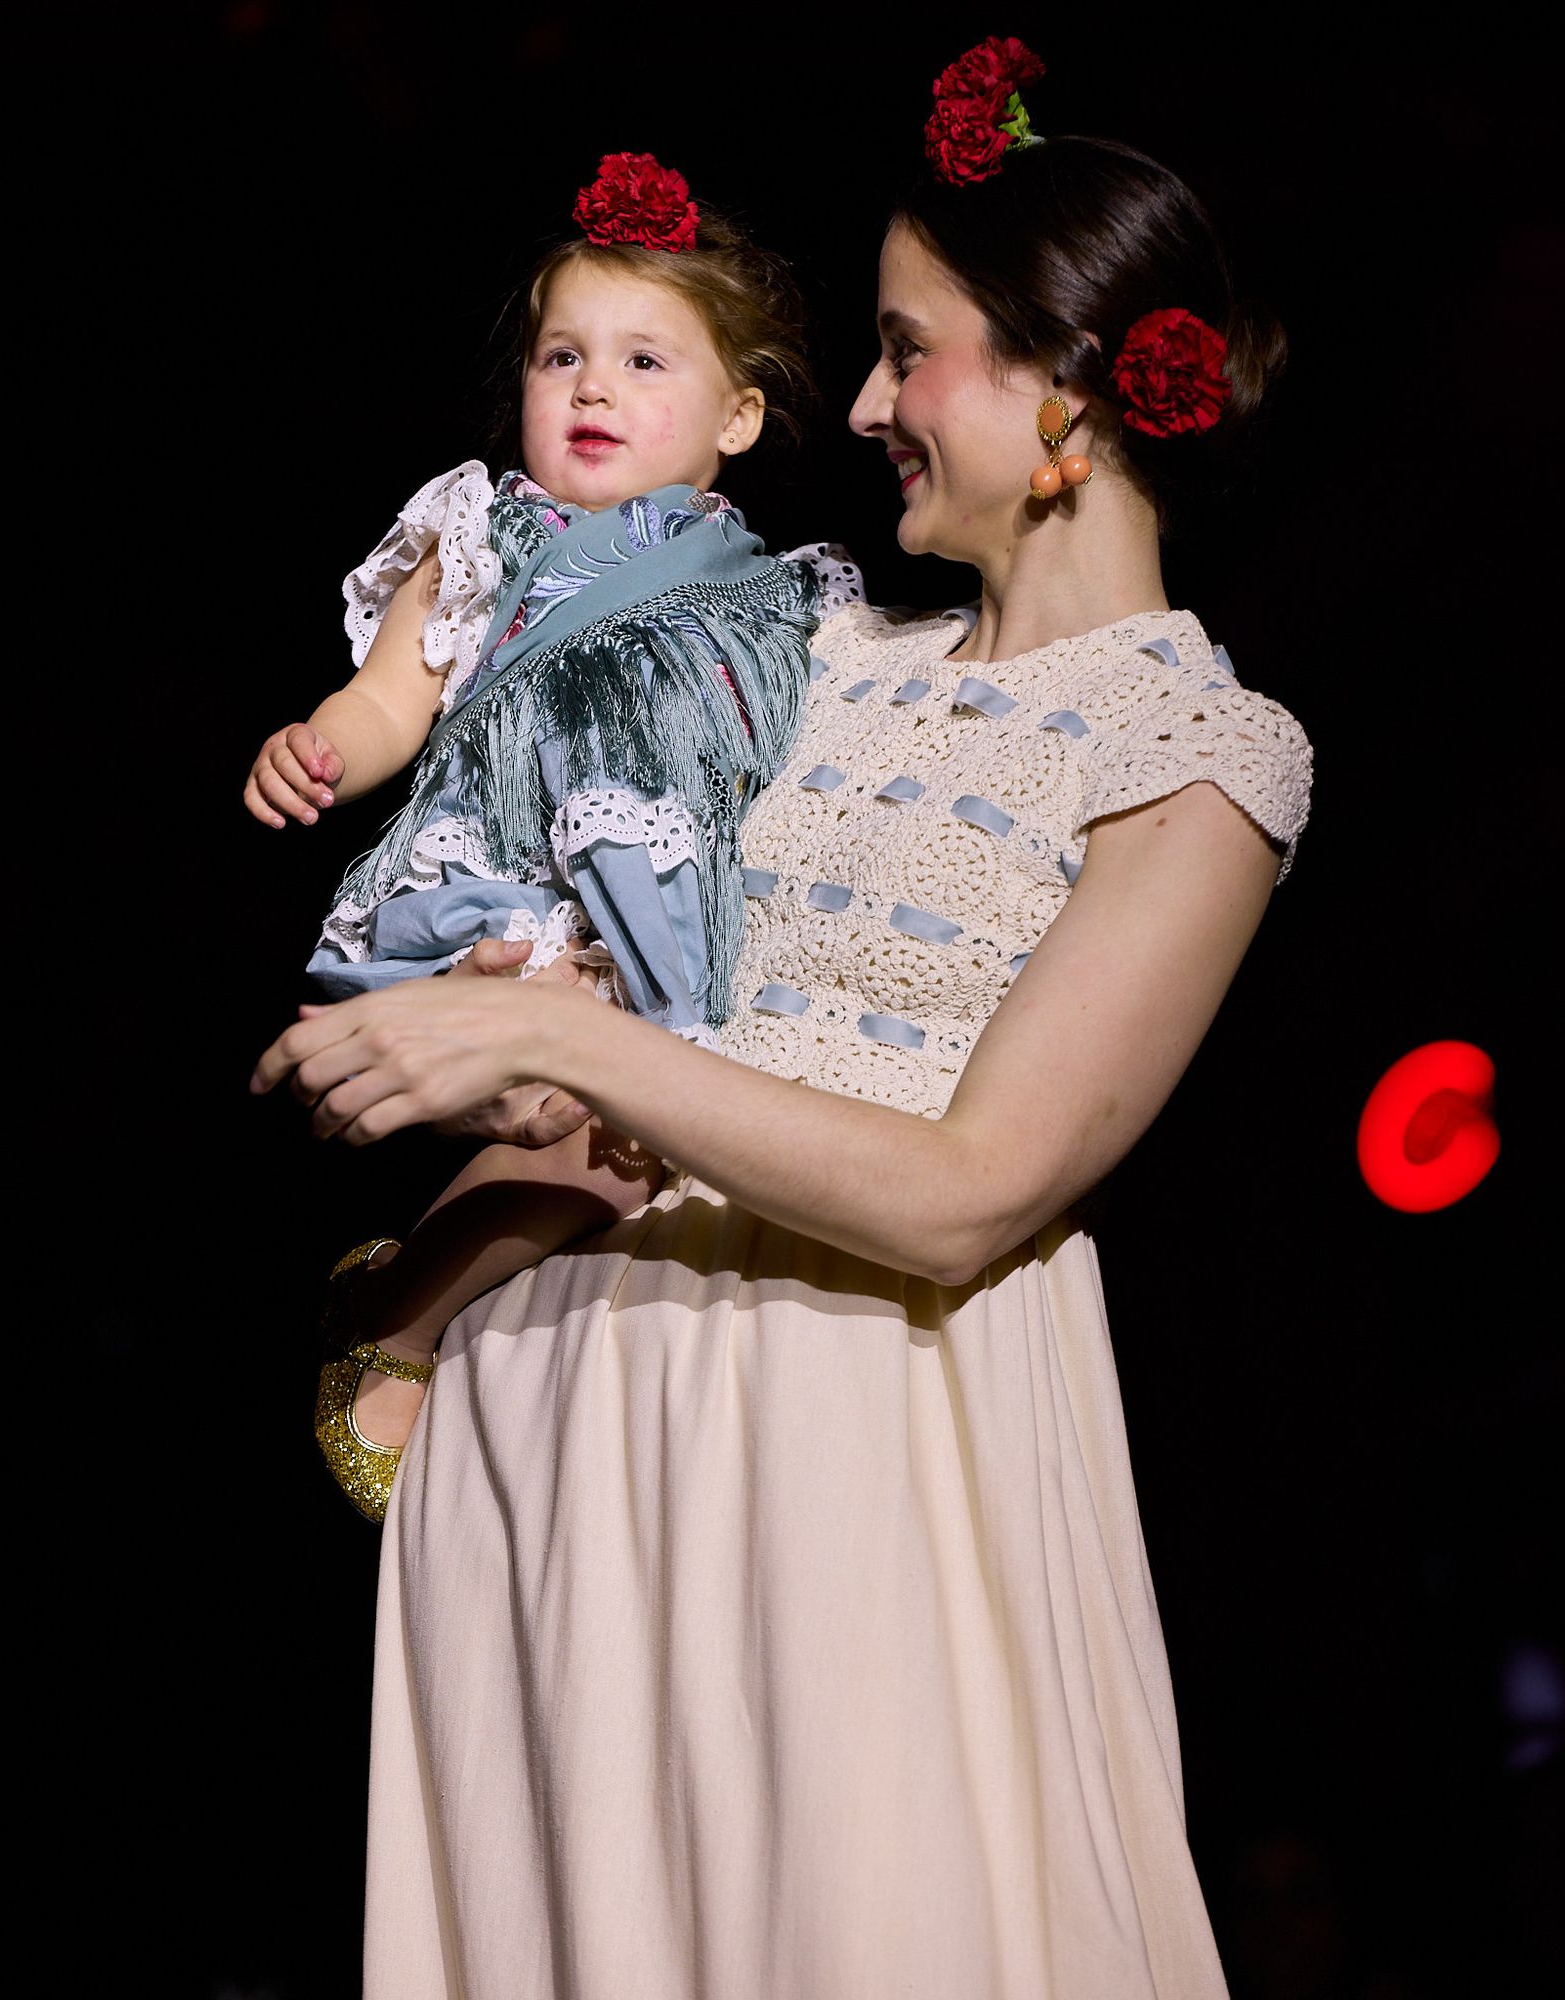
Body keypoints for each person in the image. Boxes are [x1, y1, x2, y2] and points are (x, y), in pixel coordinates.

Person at [256, 40, 1312, 1997]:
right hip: (568, 1418)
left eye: (911, 352)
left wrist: (566, 1047)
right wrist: (482, 1048)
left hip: (847, 1435)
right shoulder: (795, 642)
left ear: (1066, 383)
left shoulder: (1196, 758)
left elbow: (959, 1194)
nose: (870, 403)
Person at [243, 153, 841, 1518]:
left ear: (738, 416)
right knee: (579, 1108)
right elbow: (399, 689)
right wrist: (326, 746)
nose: (590, 387)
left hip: (663, 925)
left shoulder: (777, 595)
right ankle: (397, 1319)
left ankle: (395, 1298)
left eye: (642, 361)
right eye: (561, 354)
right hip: (506, 894)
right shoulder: (484, 535)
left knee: (621, 1153)